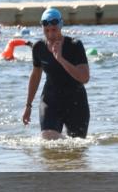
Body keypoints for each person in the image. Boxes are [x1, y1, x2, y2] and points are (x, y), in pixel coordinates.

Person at [22, 8, 91, 139]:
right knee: (47, 136)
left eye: (54, 30)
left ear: (60, 26)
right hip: (51, 100)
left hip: (76, 102)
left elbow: (84, 78)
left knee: (77, 146)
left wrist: (60, 59)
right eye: (47, 31)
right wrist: (28, 106)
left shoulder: (75, 45)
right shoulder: (38, 48)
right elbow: (36, 75)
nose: (50, 35)